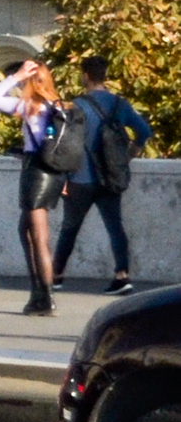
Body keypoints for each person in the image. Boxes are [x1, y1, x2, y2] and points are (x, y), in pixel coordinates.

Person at [53, 55, 150, 294]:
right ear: (104, 76)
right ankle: (122, 275)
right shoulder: (119, 104)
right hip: (110, 177)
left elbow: (63, 142)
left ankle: (56, 275)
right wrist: (129, 155)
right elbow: (144, 131)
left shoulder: (76, 105)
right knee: (115, 226)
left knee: (70, 228)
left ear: (85, 75)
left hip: (79, 177)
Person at [0, 58, 65, 316]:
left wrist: (15, 77)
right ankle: (38, 293)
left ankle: (45, 297)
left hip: (35, 171)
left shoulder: (29, 105)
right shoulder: (61, 106)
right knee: (27, 230)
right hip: (55, 172)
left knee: (38, 237)